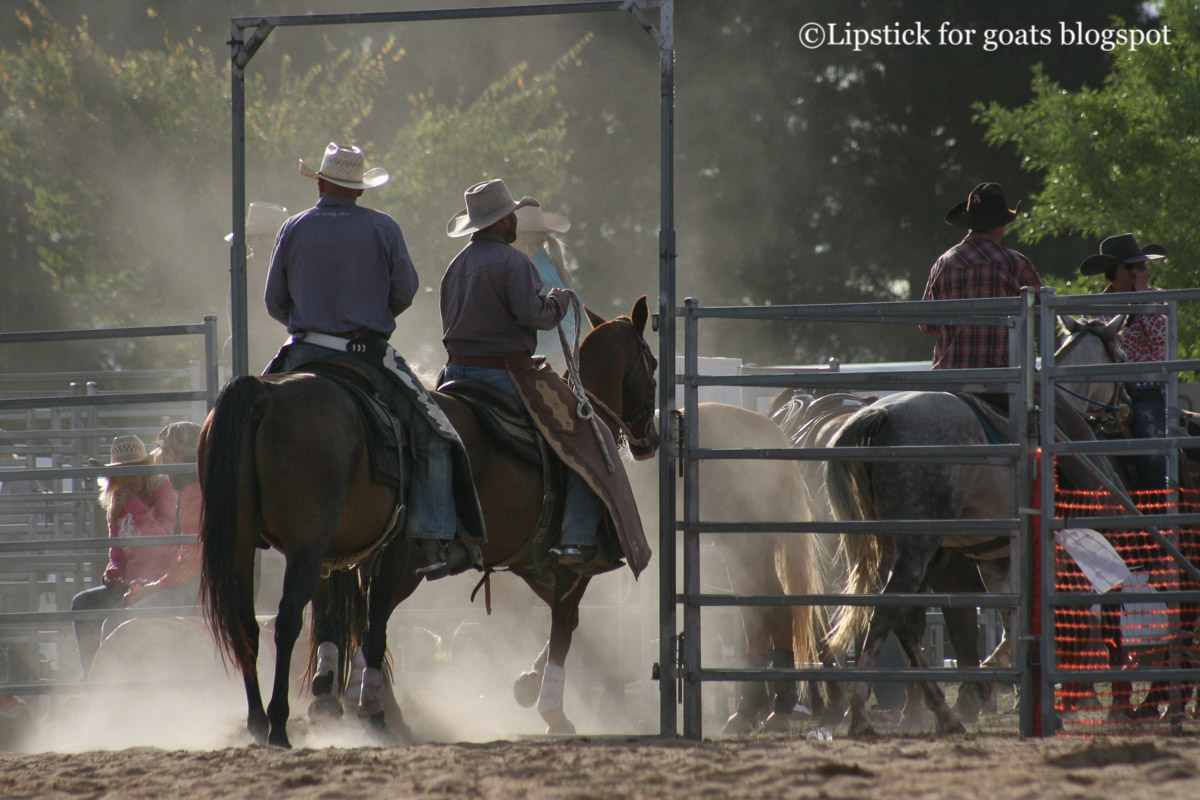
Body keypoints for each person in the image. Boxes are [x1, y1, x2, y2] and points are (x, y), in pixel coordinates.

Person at [264, 141, 482, 576]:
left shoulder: (293, 227)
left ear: (321, 183)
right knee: (436, 431)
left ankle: (241, 519)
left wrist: (310, 322)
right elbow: (404, 291)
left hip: (302, 349)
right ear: (360, 190)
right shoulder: (383, 228)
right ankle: (437, 538)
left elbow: (275, 301)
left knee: (245, 415)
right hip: (365, 353)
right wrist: (371, 316)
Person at [440, 178, 603, 566]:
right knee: (584, 438)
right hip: (504, 375)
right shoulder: (514, 263)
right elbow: (536, 317)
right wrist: (559, 303)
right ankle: (576, 539)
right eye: (510, 214)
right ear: (501, 222)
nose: (514, 219)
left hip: (453, 376)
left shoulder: (456, 265)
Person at [71, 435, 178, 680]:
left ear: (146, 470)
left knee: (114, 616)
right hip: (131, 585)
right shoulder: (117, 506)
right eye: (121, 473)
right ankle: (90, 680)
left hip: (157, 585)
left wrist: (135, 506)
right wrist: (113, 571)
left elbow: (162, 548)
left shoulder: (166, 497)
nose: (128, 478)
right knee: (82, 603)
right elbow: (117, 553)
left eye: (134, 470)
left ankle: (110, 683)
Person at [1080, 233, 1170, 491]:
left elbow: (1160, 337)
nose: (1139, 271)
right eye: (1131, 266)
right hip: (1102, 393)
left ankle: (1159, 514)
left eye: (1140, 265)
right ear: (1114, 270)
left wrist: (1142, 296)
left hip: (1144, 389)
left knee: (1152, 455)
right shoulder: (1094, 306)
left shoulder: (1155, 297)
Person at [921, 182, 1043, 371]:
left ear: (968, 223)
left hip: (948, 376)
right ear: (1001, 224)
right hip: (1002, 377)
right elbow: (1042, 312)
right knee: (1050, 399)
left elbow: (928, 325)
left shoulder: (943, 264)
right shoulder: (1015, 263)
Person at [512, 205, 580, 369]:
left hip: (547, 357)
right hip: (568, 352)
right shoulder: (557, 267)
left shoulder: (530, 273)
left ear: (520, 239)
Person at [225, 202, 290, 371]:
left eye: (260, 237)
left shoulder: (289, 264)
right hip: (257, 338)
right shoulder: (245, 268)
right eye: (252, 238)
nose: (253, 243)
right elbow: (235, 312)